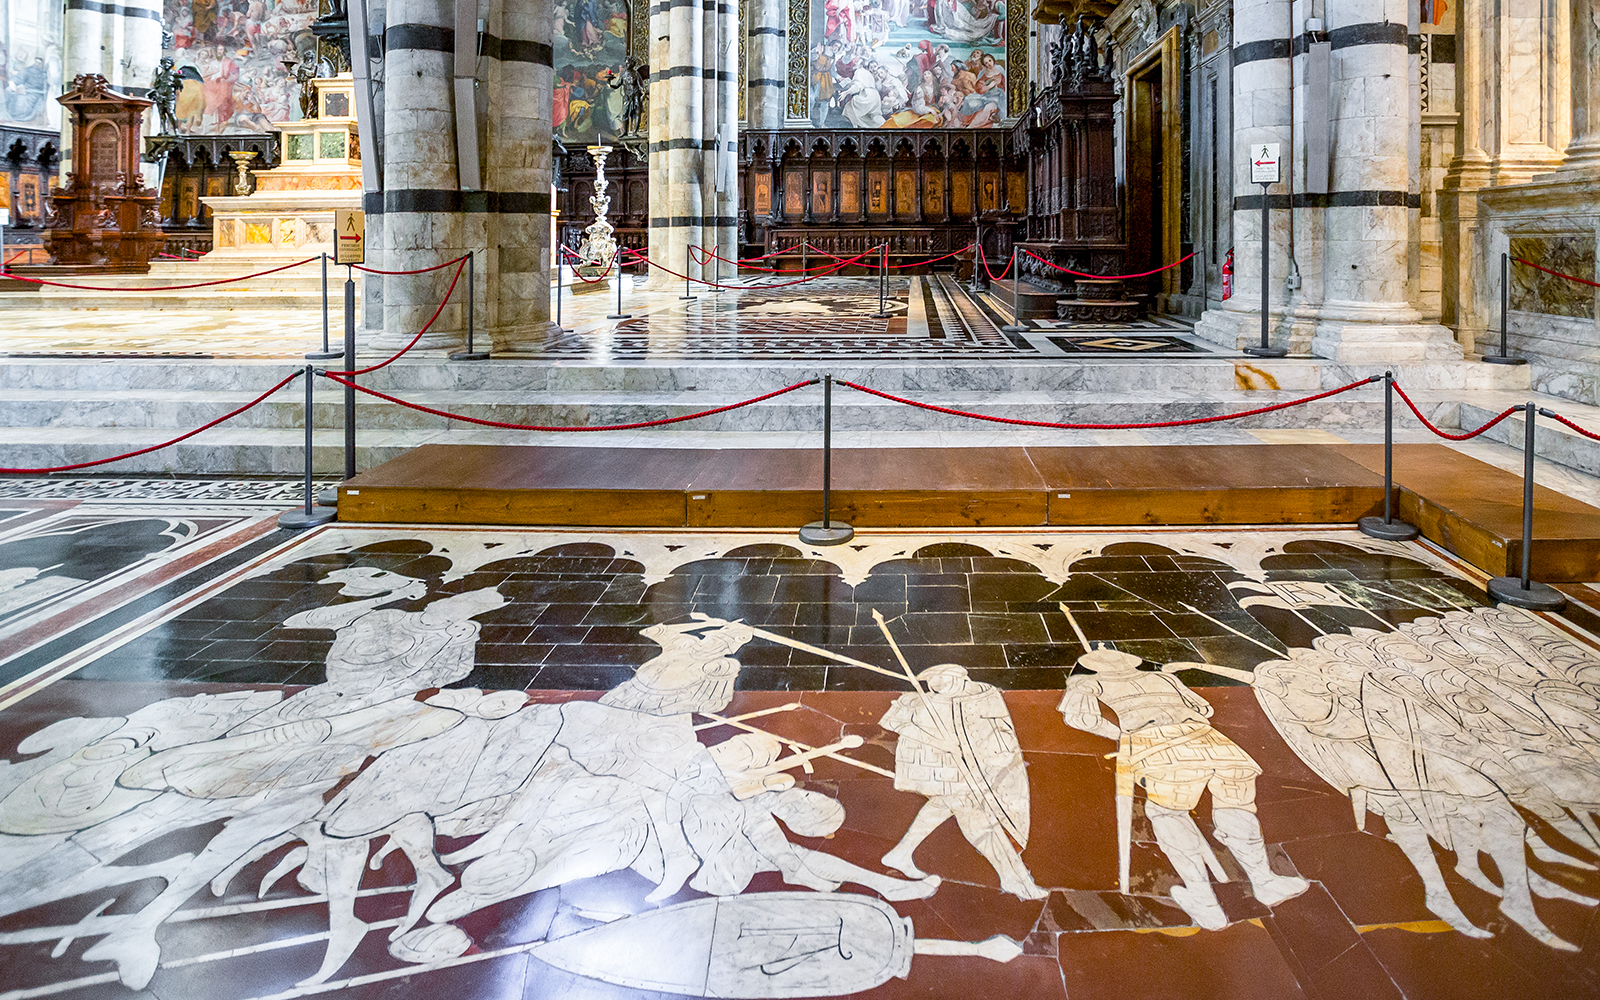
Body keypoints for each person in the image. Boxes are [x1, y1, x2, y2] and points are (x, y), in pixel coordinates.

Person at [1058, 646, 1308, 929]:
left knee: (1169, 814)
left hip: (1160, 750)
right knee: (1236, 805)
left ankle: (1204, 901)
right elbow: (1204, 709)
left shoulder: (1089, 682)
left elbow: (1080, 718)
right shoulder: (1164, 678)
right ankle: (1264, 879)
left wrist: (1123, 735)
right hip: (1211, 743)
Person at [879, 664, 1046, 900]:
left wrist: (995, 755)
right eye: (934, 686)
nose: (937, 690)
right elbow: (892, 721)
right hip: (944, 769)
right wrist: (935, 740)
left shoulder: (986, 696)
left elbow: (1000, 731)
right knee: (977, 820)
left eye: (942, 684)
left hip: (978, 768)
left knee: (945, 805)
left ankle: (901, 853)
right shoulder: (925, 701)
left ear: (959, 679)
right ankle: (1014, 878)